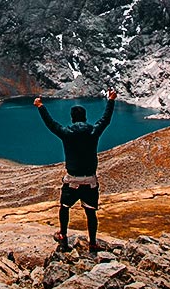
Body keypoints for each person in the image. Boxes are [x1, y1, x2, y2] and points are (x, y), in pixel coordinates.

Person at [34, 88, 116, 252]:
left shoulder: (67, 133)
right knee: (91, 212)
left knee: (64, 207)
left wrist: (40, 106)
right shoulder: (93, 131)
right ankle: (92, 242)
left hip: (72, 180)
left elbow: (51, 124)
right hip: (90, 180)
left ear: (72, 118)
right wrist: (111, 100)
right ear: (85, 117)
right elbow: (105, 119)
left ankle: (63, 234)